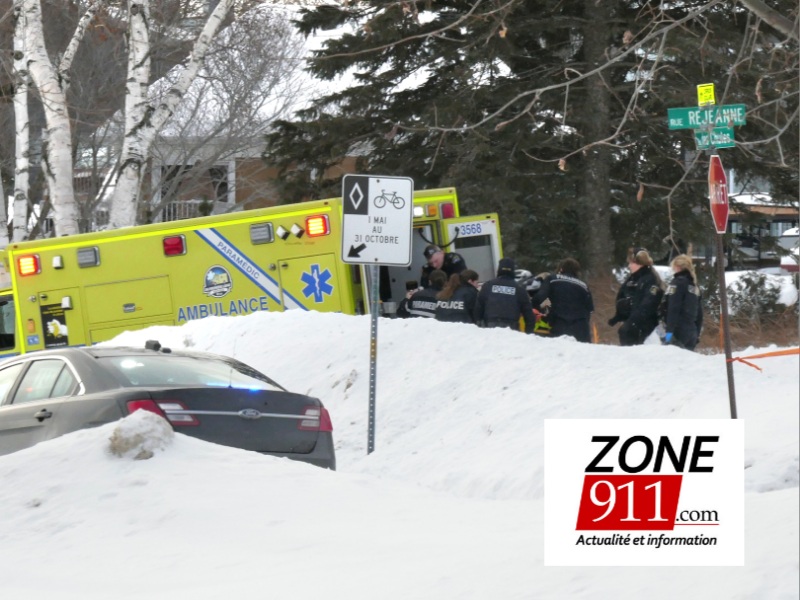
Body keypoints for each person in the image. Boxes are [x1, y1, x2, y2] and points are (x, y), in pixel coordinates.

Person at [607, 247, 664, 346]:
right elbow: (622, 295)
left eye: (631, 263)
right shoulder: (633, 278)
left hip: (645, 326)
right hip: (631, 322)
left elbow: (648, 305)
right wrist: (618, 315)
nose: (629, 266)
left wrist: (633, 322)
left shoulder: (650, 279)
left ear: (639, 263)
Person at [533, 258, 594, 342]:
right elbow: (589, 309)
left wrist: (541, 313)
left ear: (561, 269)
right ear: (576, 271)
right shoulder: (584, 286)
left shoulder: (552, 279)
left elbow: (540, 297)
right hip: (581, 330)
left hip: (559, 325)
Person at [474, 258, 534, 332]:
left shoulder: (488, 286)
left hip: (490, 327)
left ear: (499, 270)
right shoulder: (519, 289)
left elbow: (478, 308)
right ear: (512, 270)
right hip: (511, 328)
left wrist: (478, 326)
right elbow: (528, 313)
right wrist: (528, 333)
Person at [660, 254, 703, 351]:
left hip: (678, 331)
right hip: (692, 332)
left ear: (677, 267)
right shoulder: (695, 286)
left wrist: (669, 333)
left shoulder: (677, 283)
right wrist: (697, 334)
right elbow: (699, 314)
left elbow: (673, 308)